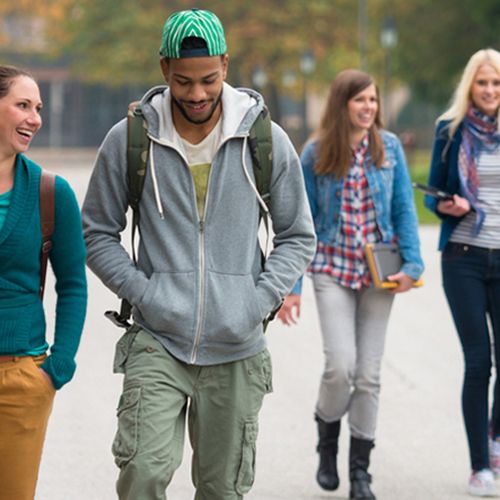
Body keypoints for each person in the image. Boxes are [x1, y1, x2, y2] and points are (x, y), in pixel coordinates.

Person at [81, 8, 315, 500]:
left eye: (208, 79)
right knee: (143, 471)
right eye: (184, 81)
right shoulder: (132, 138)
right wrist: (145, 293)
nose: (197, 94)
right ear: (164, 69)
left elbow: (297, 234)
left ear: (226, 66)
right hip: (157, 339)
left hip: (237, 347)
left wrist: (258, 301)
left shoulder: (263, 138)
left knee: (221, 489)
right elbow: (97, 232)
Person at [278, 69, 423, 500]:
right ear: (342, 104)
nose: (368, 108)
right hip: (331, 269)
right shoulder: (316, 152)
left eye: (373, 101)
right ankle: (327, 438)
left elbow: (404, 211)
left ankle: (361, 472)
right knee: (340, 367)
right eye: (360, 101)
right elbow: (296, 225)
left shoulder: (390, 148)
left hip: (380, 274)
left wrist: (412, 265)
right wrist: (292, 288)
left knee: (368, 374)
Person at [0, 65, 87, 500]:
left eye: (38, 108)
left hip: (22, 380)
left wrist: (59, 366)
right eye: (22, 105)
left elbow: (72, 284)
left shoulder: (52, 193)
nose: (35, 117)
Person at [425, 48, 500, 497]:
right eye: (482, 83)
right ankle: (479, 467)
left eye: (496, 83)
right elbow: (432, 193)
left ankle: (495, 438)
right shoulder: (449, 131)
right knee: (479, 361)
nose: (490, 91)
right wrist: (446, 204)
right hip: (464, 256)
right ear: (470, 86)